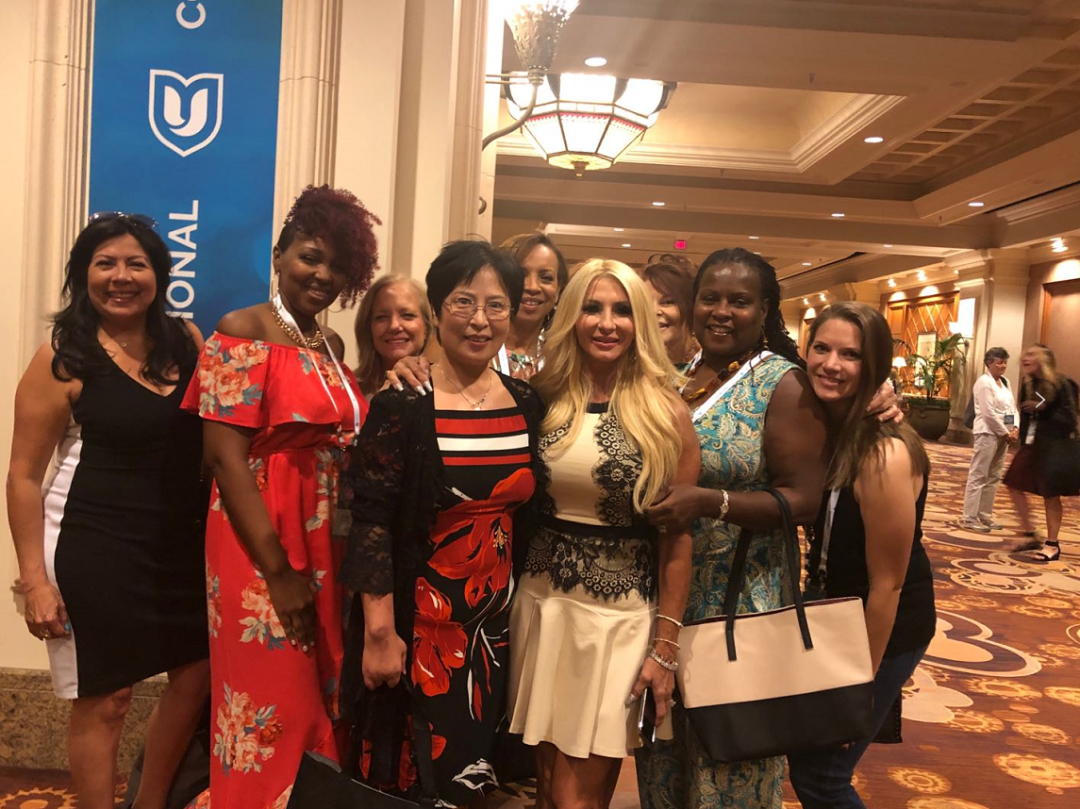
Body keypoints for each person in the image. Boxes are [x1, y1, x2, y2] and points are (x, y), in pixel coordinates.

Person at [182, 185, 379, 809]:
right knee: (268, 704)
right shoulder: (242, 330)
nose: (322, 275)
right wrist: (277, 570)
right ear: (279, 255)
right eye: (309, 257)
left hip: (323, 536)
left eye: (337, 266)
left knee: (318, 695)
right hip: (260, 537)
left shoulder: (331, 346)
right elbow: (224, 458)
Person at [7, 213, 208, 809]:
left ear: (159, 275)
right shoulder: (61, 357)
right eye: (105, 264)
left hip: (179, 548)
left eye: (136, 264)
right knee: (106, 699)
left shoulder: (187, 341)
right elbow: (22, 477)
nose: (121, 277)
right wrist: (35, 582)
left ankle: (148, 802)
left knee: (196, 676)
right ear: (83, 275)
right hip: (91, 546)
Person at [340, 240, 546, 806]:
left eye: (496, 305)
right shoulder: (404, 401)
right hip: (420, 626)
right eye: (463, 302)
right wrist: (380, 633)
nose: (480, 320)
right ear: (436, 310)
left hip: (497, 628)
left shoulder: (526, 403)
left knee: (479, 779)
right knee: (415, 779)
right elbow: (372, 520)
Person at [633, 248, 829, 809]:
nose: (721, 311)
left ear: (764, 310)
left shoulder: (782, 384)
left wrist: (709, 502)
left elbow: (805, 500)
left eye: (739, 301)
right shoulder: (678, 376)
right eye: (710, 298)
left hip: (742, 604)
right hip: (670, 599)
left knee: (732, 766)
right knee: (665, 757)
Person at [509, 259, 701, 809]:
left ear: (640, 321)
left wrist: (665, 648)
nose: (606, 323)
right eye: (592, 308)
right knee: (545, 789)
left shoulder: (666, 413)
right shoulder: (542, 397)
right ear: (571, 315)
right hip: (541, 608)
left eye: (622, 310)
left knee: (576, 799)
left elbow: (676, 540)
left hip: (618, 621)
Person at [786, 302, 936, 809]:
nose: (831, 364)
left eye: (850, 355)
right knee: (808, 760)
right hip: (836, 614)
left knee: (822, 776)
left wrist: (859, 684)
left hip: (882, 628)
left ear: (873, 366)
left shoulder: (882, 452)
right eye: (821, 348)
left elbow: (888, 584)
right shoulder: (833, 426)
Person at [1002, 344, 1080, 562]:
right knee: (1013, 482)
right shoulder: (1029, 385)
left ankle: (1052, 544)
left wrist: (1043, 408)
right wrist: (1020, 444)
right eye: (1024, 354)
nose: (1025, 358)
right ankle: (1029, 532)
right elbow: (1027, 418)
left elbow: (1070, 419)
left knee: (1051, 494)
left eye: (1031, 354)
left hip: (1058, 445)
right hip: (1033, 444)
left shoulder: (1063, 384)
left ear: (1044, 359)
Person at [494, 232, 569, 379]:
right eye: (520, 275)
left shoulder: (562, 362)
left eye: (546, 278)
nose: (532, 287)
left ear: (558, 290)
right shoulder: (475, 348)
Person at [960, 347, 1018, 532]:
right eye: (999, 362)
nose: (1003, 366)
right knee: (979, 474)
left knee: (994, 476)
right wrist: (1005, 432)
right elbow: (987, 413)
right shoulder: (984, 383)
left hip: (1004, 434)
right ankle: (969, 517)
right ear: (989, 363)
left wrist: (1015, 428)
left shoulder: (1005, 382)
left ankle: (984, 514)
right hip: (987, 432)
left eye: (1005, 362)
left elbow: (1011, 408)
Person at [353, 274, 433, 399]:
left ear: (427, 327)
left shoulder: (447, 387)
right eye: (381, 317)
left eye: (407, 315)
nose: (394, 326)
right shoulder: (348, 391)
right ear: (368, 328)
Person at [641, 261, 698, 372]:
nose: (653, 311)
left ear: (690, 306)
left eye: (667, 302)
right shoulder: (633, 364)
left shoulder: (707, 362)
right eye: (646, 302)